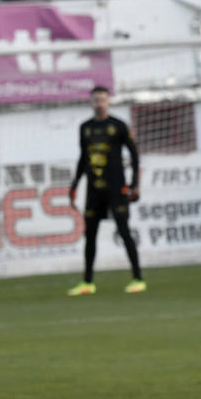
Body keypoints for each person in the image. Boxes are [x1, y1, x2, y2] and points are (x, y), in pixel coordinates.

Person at [67, 86, 144, 296]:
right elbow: (83, 159)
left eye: (102, 99)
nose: (99, 103)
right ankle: (87, 283)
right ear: (91, 102)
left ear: (108, 101)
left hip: (116, 189)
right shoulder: (85, 128)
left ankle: (138, 278)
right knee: (89, 235)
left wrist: (134, 184)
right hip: (94, 190)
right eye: (96, 99)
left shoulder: (118, 126)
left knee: (124, 230)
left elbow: (135, 156)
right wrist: (74, 186)